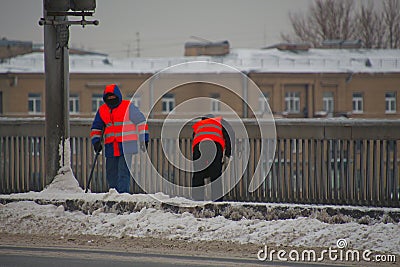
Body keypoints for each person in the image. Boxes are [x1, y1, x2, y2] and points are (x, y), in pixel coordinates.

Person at [90, 84, 149, 193]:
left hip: (127, 145)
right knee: (111, 173)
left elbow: (141, 121)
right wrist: (96, 141)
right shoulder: (102, 110)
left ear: (118, 96)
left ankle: (122, 196)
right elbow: (96, 128)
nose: (111, 100)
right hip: (111, 146)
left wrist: (144, 138)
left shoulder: (128, 107)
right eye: (109, 98)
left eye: (113, 97)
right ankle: (113, 194)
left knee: (123, 172)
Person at [191, 114, 234, 201]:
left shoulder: (199, 124)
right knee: (215, 174)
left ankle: (197, 201)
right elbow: (229, 136)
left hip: (199, 146)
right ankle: (217, 201)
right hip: (214, 146)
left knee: (198, 174)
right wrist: (227, 154)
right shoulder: (220, 122)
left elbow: (194, 138)